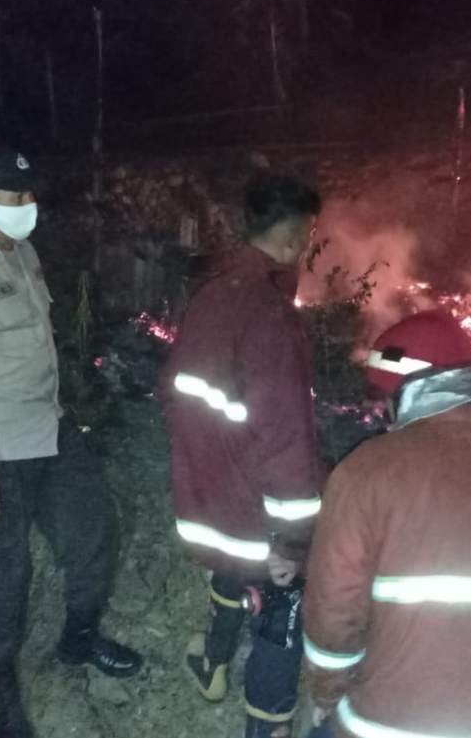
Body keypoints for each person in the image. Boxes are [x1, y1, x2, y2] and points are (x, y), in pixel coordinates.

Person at [0, 148, 141, 738]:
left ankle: (79, 638)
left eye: (29, 195)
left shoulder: (25, 253)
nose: (28, 206)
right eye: (15, 197)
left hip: (50, 429)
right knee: (1, 567)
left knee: (93, 529)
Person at [302, 311, 471, 738]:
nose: (383, 411)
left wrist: (326, 693)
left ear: (408, 392)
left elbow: (334, 615)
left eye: (385, 398)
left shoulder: (364, 472)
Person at [160, 172, 325, 738]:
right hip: (253, 503)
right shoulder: (270, 315)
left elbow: (185, 399)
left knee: (231, 571)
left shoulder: (213, 292)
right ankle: (266, 726)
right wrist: (294, 538)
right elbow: (286, 439)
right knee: (284, 608)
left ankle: (211, 665)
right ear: (295, 237)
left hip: (210, 490)